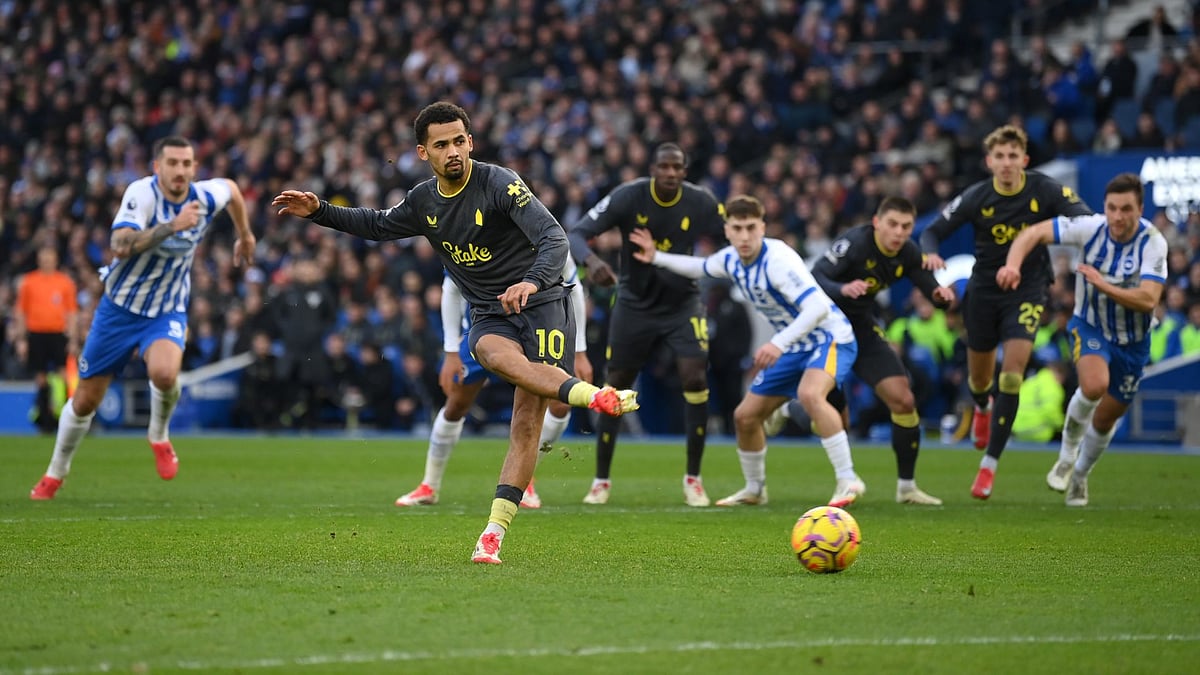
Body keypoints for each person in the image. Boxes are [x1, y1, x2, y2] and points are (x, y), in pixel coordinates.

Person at [271, 101, 638, 564]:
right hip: (489, 312)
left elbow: (555, 238)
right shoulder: (425, 200)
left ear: (471, 142)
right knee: (490, 353)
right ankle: (594, 397)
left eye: (459, 141)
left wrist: (531, 281)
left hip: (543, 304)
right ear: (424, 152)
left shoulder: (500, 183)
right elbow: (379, 225)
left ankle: (493, 532)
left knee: (526, 422)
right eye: (441, 145)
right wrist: (320, 210)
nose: (453, 151)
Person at [30, 136, 256, 499]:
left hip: (166, 308)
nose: (180, 171)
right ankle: (55, 473)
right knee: (86, 399)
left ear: (194, 168)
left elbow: (231, 189)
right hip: (118, 310)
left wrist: (244, 234)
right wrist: (172, 226)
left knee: (165, 374)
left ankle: (159, 436)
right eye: (172, 163)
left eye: (186, 163)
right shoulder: (142, 195)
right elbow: (120, 243)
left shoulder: (204, 196)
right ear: (157, 167)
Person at [629, 195, 867, 509]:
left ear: (763, 227)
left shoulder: (778, 260)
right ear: (727, 230)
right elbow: (699, 266)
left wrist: (777, 344)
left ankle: (848, 479)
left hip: (830, 337)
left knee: (811, 395)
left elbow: (818, 309)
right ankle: (754, 489)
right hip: (795, 344)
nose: (744, 236)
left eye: (751, 228)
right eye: (737, 228)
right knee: (744, 417)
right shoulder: (730, 259)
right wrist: (656, 256)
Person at [920, 124, 1092, 500]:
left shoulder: (1044, 189)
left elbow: (1083, 217)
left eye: (1013, 156)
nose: (1007, 163)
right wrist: (931, 253)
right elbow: (932, 232)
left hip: (1028, 290)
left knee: (1011, 376)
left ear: (1025, 160)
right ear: (989, 161)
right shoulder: (977, 196)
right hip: (983, 291)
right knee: (980, 381)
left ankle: (989, 465)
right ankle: (982, 406)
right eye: (1000, 156)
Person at [566, 143, 725, 507]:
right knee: (615, 386)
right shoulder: (628, 197)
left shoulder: (700, 201)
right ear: (652, 168)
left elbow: (732, 235)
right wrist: (591, 261)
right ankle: (601, 481)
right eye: (664, 167)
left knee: (695, 378)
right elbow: (576, 233)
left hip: (683, 303)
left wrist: (716, 269)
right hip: (634, 304)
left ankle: (694, 479)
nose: (670, 174)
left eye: (677, 168)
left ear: (685, 171)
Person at [998, 173, 1166, 506]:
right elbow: (1033, 232)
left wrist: (1103, 285)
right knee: (1093, 385)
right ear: (1104, 207)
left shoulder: (1153, 242)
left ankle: (1080, 475)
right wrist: (1013, 265)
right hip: (1089, 326)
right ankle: (1065, 456)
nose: (1118, 216)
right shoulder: (1090, 228)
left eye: (1126, 209)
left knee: (1105, 419)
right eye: (1112, 208)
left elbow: (1148, 300)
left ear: (1140, 209)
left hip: (1133, 343)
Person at [394, 261, 593, 509]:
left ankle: (526, 476)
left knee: (559, 404)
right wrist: (451, 351)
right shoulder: (472, 233)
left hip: (537, 330)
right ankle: (429, 485)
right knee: (456, 404)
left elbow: (573, 287)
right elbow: (451, 286)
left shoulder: (548, 235)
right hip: (484, 329)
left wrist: (580, 351)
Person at [809, 196, 955, 506]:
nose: (899, 233)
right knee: (835, 414)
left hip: (861, 326)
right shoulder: (854, 244)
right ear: (877, 222)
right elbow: (815, 277)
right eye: (892, 224)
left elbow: (928, 285)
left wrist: (941, 295)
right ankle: (789, 409)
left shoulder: (908, 252)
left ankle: (906, 487)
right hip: (826, 327)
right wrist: (842, 289)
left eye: (906, 226)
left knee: (903, 400)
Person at [14, 246, 79, 432]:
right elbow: (21, 312)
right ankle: (44, 420)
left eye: (50, 258)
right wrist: (21, 339)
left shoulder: (64, 282)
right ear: (39, 260)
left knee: (63, 375)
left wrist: (73, 339)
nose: (47, 261)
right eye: (44, 258)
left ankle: (66, 419)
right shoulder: (29, 282)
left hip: (58, 334)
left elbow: (72, 312)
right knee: (40, 377)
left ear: (56, 260)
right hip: (36, 334)